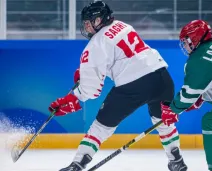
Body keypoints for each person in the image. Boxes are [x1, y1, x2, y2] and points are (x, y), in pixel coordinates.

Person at [49, 1, 187, 171]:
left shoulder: (94, 44)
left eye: (88, 22)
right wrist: (89, 73)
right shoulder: (123, 26)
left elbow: (91, 91)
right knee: (163, 121)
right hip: (162, 78)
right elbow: (123, 58)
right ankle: (177, 160)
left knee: (100, 127)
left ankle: (77, 164)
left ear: (99, 20)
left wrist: (73, 97)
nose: (85, 26)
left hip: (134, 86)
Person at [161, 19, 212, 171]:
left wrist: (173, 109)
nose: (184, 46)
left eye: (185, 41)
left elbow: (190, 92)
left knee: (210, 121)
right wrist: (201, 98)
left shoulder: (201, 56)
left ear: (194, 38)